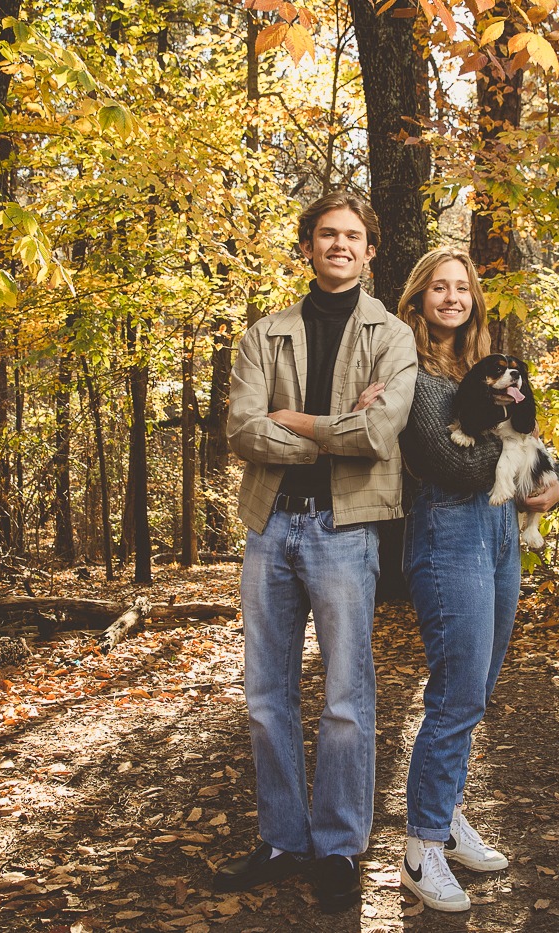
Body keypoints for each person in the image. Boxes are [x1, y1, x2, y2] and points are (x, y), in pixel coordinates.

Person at [216, 192, 418, 912]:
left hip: (346, 530)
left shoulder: (393, 336)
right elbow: (242, 431)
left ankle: (338, 847)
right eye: (326, 234)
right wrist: (337, 425)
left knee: (344, 698)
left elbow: (378, 435)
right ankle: (281, 838)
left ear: (370, 251)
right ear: (307, 246)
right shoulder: (263, 334)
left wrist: (294, 420)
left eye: (352, 236)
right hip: (270, 526)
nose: (338, 245)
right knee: (266, 695)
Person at [395, 246, 559, 912]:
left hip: (499, 533)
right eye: (437, 287)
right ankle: (420, 848)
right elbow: (456, 465)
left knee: (478, 689)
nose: (450, 297)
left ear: (474, 300)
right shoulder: (409, 370)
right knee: (456, 691)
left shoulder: (483, 368)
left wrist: (552, 479)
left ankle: (445, 812)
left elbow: (531, 444)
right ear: (418, 298)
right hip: (448, 531)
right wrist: (517, 445)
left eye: (460, 287)